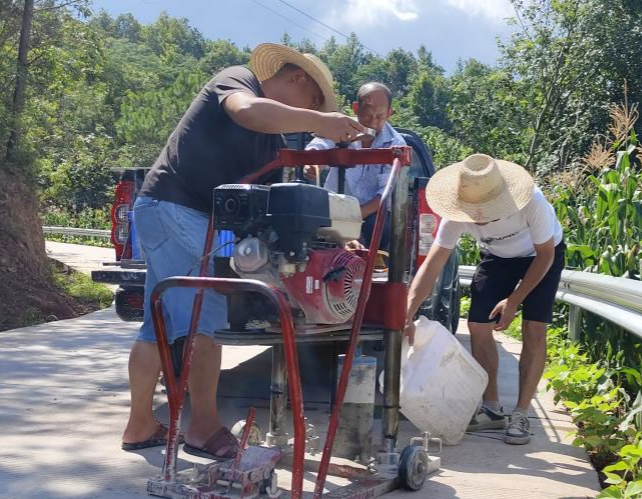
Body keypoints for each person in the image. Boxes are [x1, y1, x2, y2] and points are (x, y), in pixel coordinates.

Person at [121, 44, 365, 460]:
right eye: (310, 102)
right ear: (297, 78)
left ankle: (140, 423)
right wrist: (321, 121)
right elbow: (247, 110)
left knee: (156, 323)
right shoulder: (237, 81)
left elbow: (271, 202)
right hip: (178, 207)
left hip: (168, 210)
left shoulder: (271, 141)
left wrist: (334, 234)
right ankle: (202, 428)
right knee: (206, 320)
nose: (308, 113)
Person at [404, 154, 565, 445]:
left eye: (485, 210)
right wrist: (406, 313)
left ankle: (521, 412)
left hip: (541, 256)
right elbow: (432, 266)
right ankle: (492, 408)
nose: (478, 217)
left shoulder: (533, 202)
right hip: (498, 257)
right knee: (478, 324)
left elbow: (546, 256)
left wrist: (514, 300)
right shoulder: (457, 213)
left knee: (534, 327)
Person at [303, 82, 406, 249]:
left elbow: (384, 196)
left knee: (381, 226)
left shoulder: (395, 144)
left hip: (368, 211)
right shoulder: (341, 126)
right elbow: (322, 142)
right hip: (332, 206)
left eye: (380, 117)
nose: (373, 122)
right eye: (367, 115)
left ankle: (372, 266)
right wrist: (313, 160)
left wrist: (350, 219)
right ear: (356, 108)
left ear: (389, 113)